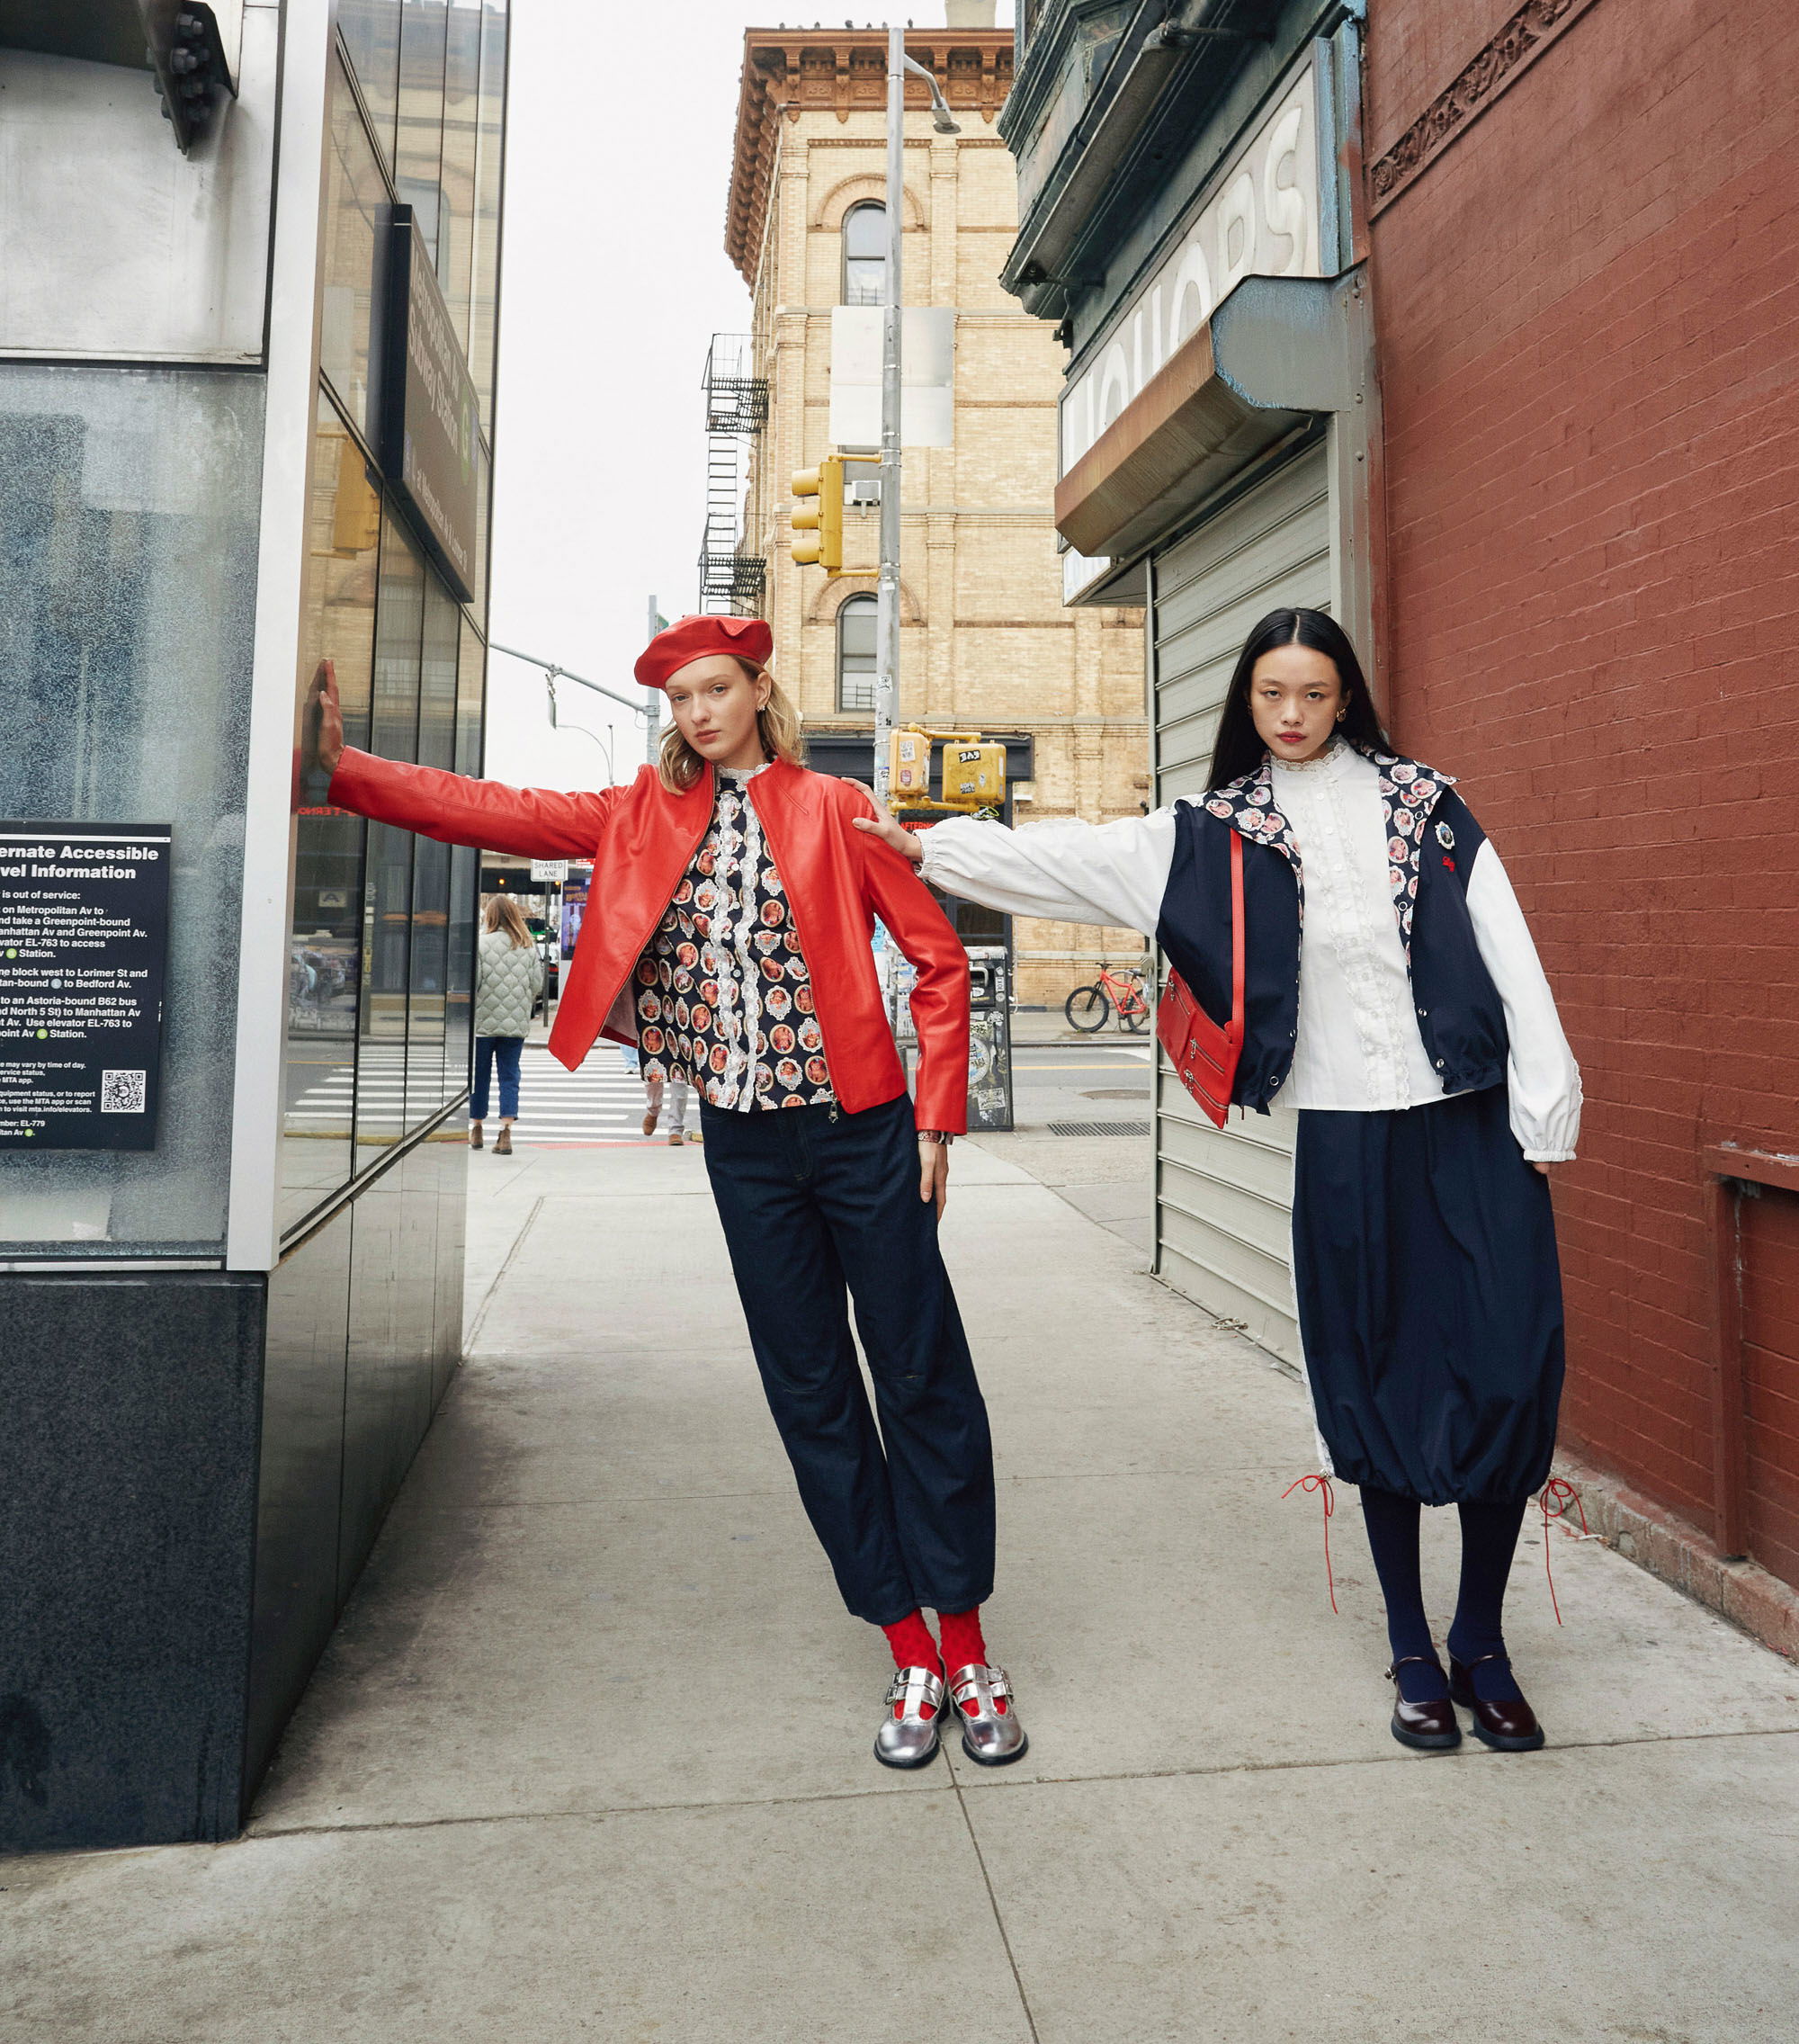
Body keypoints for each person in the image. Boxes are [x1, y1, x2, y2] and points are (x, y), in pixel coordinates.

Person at [856, 606, 1579, 1757]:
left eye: (1313, 695)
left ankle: (1480, 1643)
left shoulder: (1425, 804)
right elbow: (1077, 861)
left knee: (1504, 1372)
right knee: (1376, 1379)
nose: (1290, 717)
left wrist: (1545, 1105)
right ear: (1245, 702)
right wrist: (930, 848)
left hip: (1473, 1126)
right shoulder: (1213, 833)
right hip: (1344, 1143)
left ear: (1346, 698)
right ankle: (1410, 1651)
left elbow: (1508, 947)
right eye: (1269, 696)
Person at [306, 613, 1025, 1769]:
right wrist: (344, 773)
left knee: (919, 1369)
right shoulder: (638, 816)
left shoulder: (834, 811)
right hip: (745, 1146)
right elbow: (495, 808)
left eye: (713, 690)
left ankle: (969, 1643)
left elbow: (936, 962)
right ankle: (904, 1646)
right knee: (810, 1391)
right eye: (679, 696)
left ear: (755, 691)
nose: (696, 712)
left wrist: (938, 1116)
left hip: (862, 1131)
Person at [470, 892, 543, 1155]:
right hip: (514, 1024)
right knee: (510, 1075)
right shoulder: (527, 946)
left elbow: (474, 983)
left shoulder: (480, 943)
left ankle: (477, 1128)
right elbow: (537, 985)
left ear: (489, 916)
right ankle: (506, 1132)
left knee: (479, 1076)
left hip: (482, 1023)